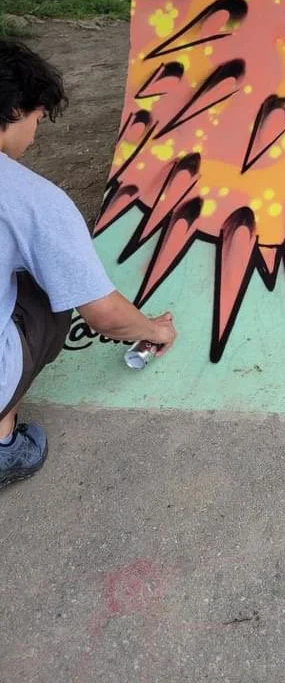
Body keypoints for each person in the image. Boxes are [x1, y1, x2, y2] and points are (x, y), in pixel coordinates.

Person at [0, 39, 176, 490]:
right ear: (16, 112)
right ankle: (4, 448)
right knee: (50, 289)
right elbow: (104, 316)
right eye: (38, 119)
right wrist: (155, 331)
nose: (36, 134)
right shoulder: (31, 199)